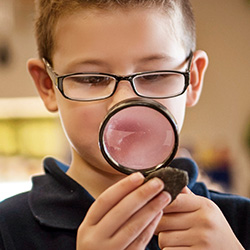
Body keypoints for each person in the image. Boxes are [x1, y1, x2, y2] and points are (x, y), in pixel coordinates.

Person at [0, 0, 249, 249]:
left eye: (154, 75)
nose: (126, 102)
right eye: (93, 78)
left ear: (192, 80)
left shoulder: (240, 224)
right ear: (47, 86)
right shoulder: (6, 230)